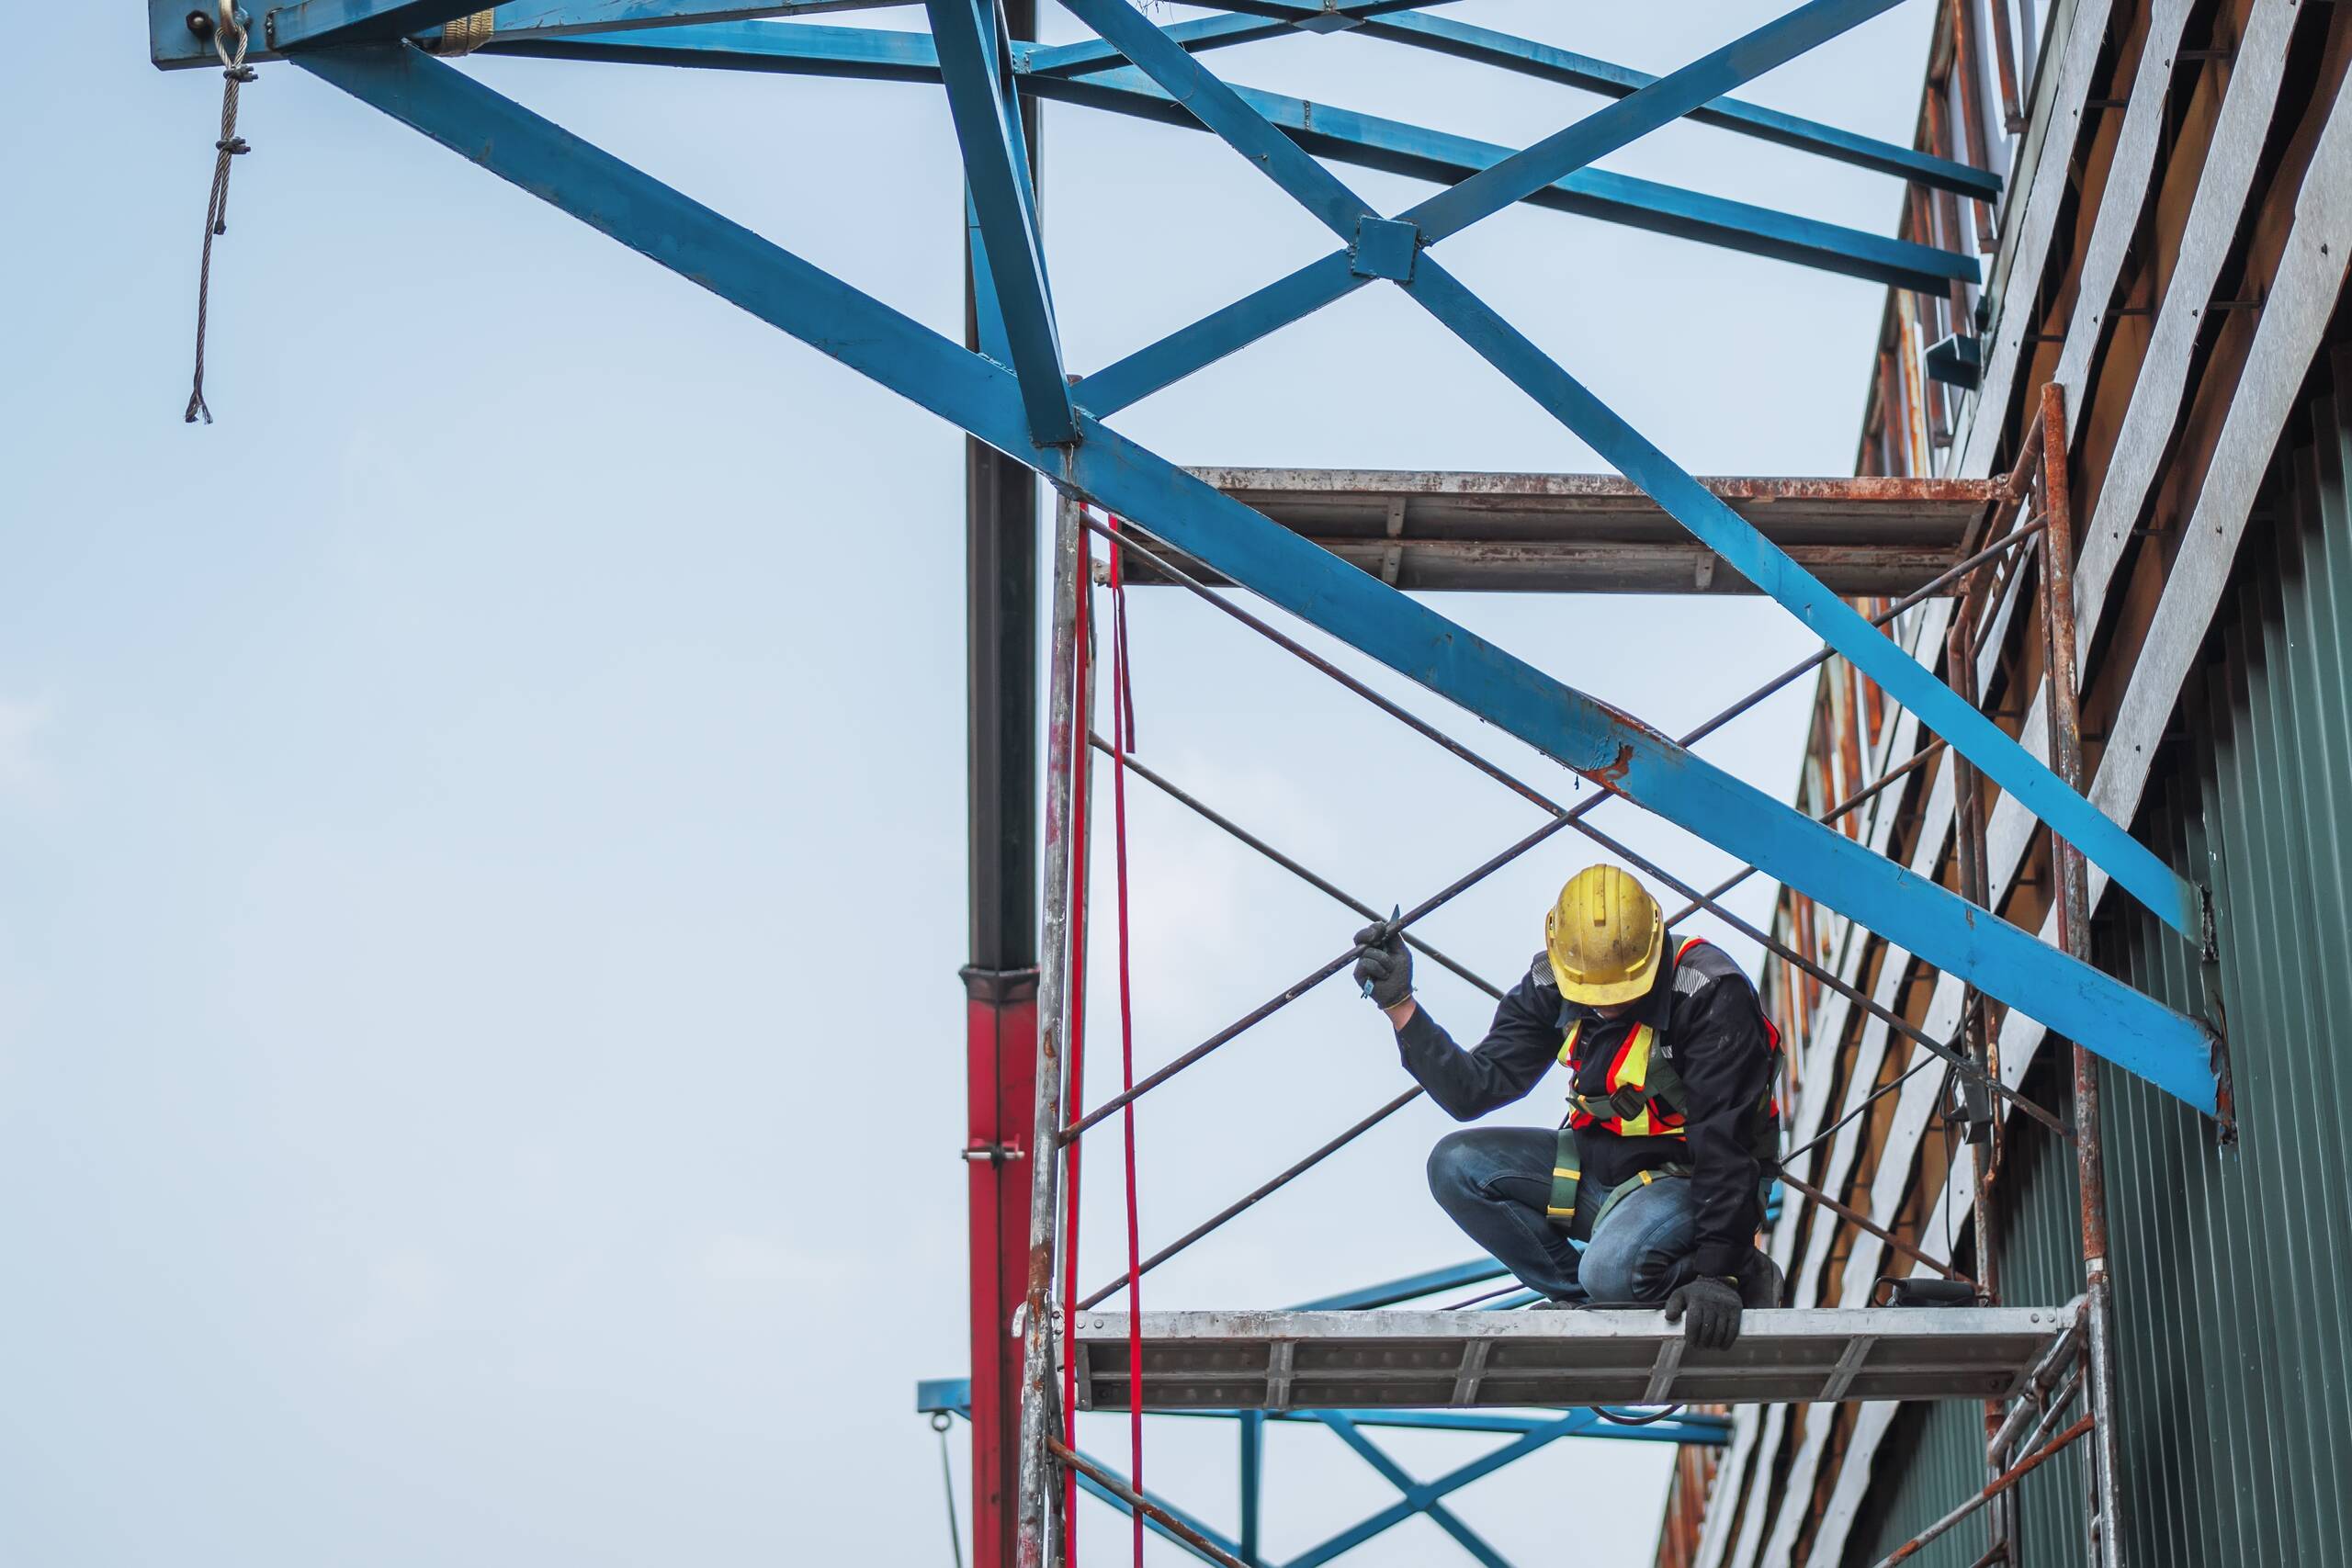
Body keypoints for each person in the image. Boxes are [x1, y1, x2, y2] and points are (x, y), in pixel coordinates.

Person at [1352, 863, 1784, 1349]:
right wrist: (1400, 1005)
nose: (1606, 1007)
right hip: (1603, 1170)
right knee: (1456, 1166)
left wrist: (1718, 1273)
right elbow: (1473, 1090)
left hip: (1691, 1182)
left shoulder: (1707, 990)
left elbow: (1726, 1142)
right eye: (1592, 995)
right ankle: (1589, 1300)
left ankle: (1713, 1273)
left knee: (1611, 1269)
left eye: (1621, 993)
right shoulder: (1551, 981)